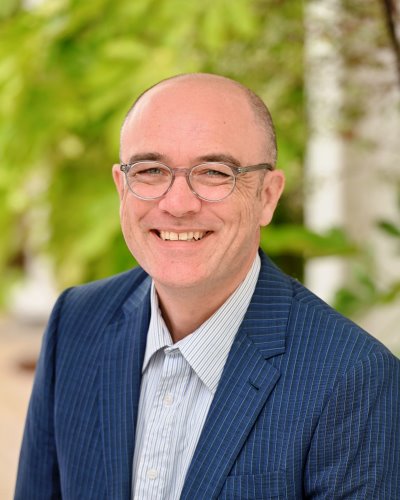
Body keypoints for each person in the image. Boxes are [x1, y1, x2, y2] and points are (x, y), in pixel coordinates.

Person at [15, 73, 399, 499]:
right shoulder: (76, 322)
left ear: (267, 196)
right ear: (122, 187)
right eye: (151, 170)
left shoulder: (353, 378)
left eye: (215, 173)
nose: (178, 204)